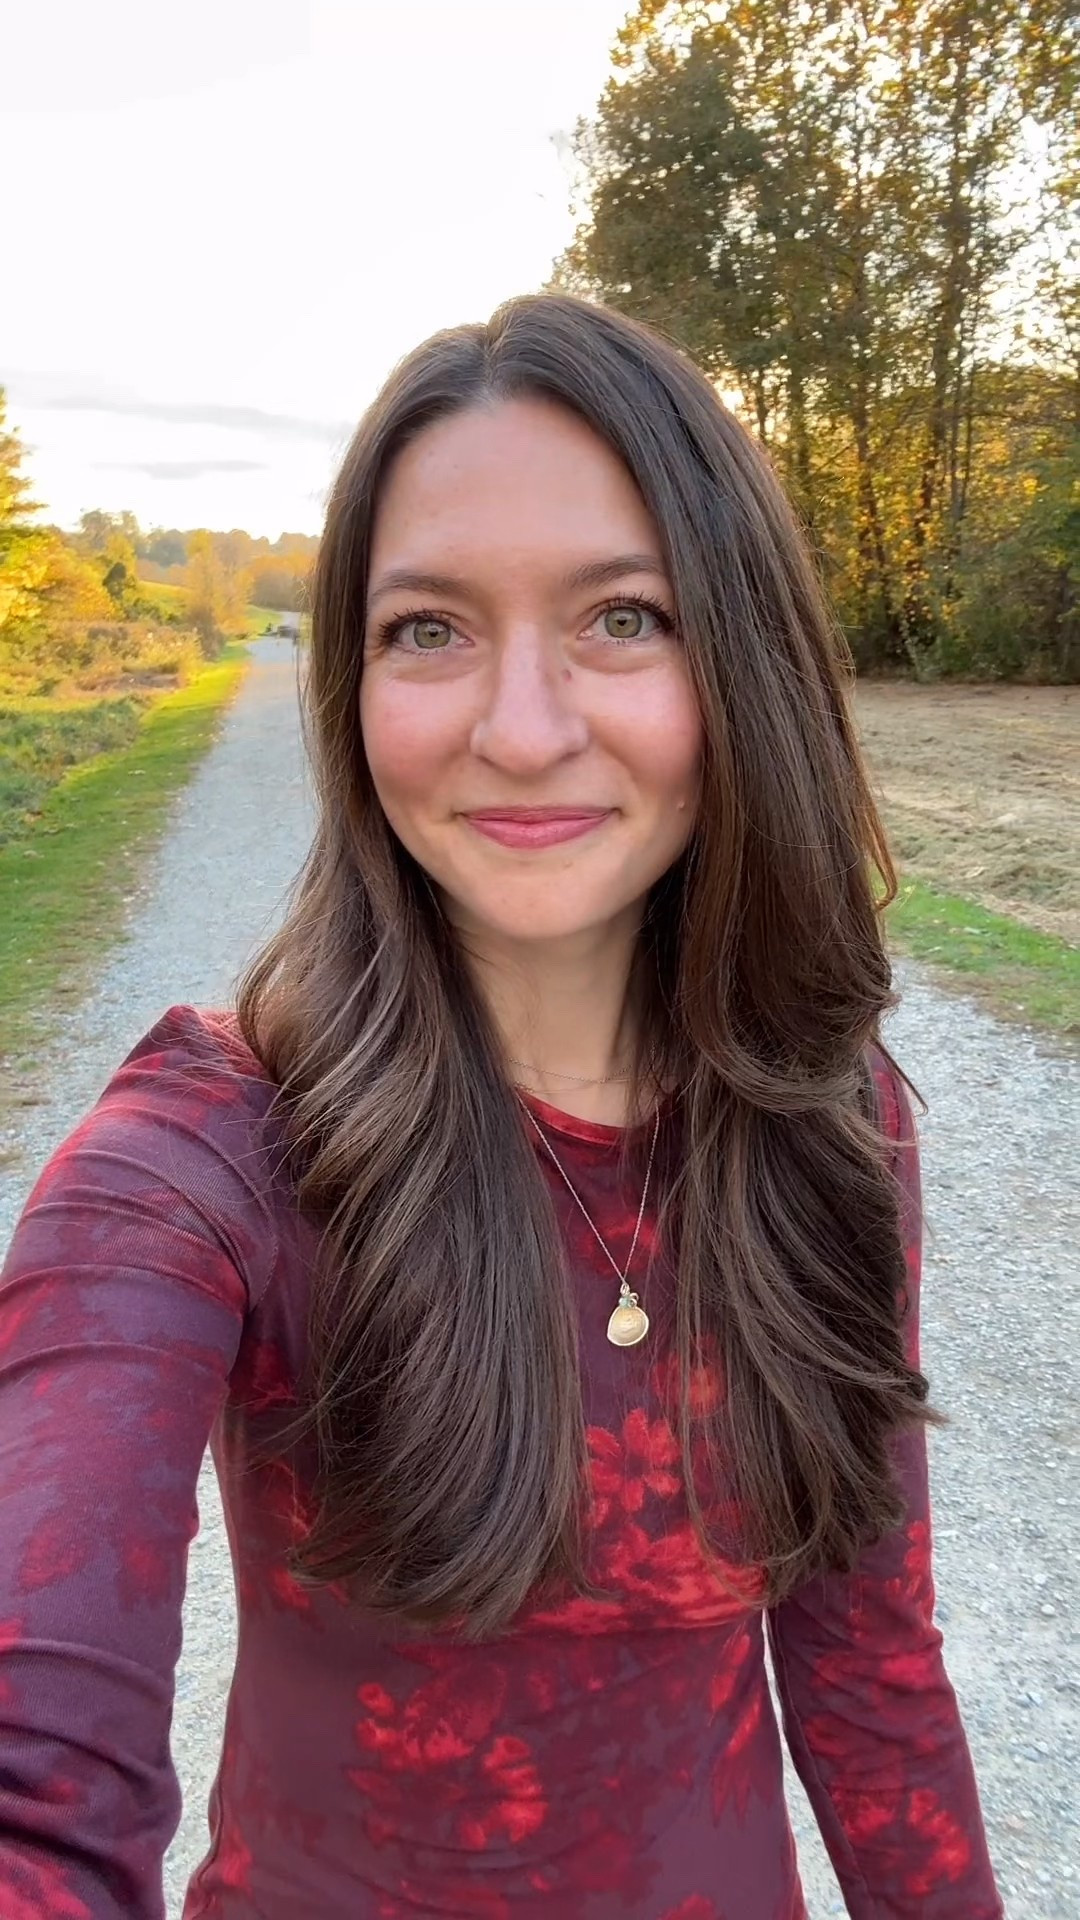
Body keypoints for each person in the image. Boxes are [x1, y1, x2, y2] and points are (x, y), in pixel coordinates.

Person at [0, 293, 1003, 1920]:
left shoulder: (833, 1115)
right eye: (429, 629)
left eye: (622, 616)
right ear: (355, 680)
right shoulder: (206, 1158)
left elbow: (873, 1662)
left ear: (738, 657)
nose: (520, 731)